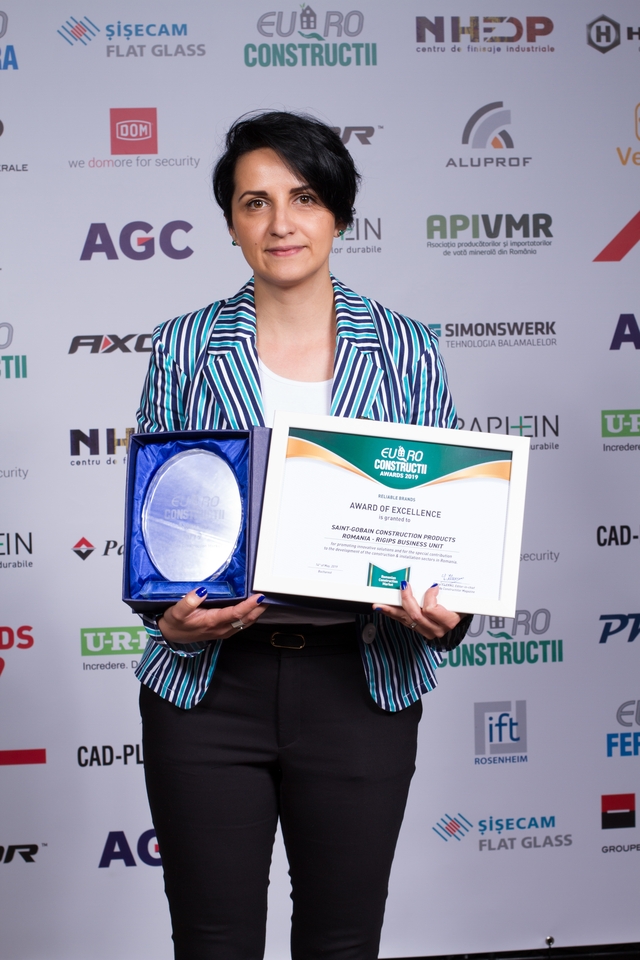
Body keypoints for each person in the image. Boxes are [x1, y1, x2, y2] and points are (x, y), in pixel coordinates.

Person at [135, 110, 471, 960]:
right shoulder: (183, 346)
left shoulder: (406, 349)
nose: (281, 223)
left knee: (341, 942)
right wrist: (165, 616)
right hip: (209, 689)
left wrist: (450, 611)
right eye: (256, 202)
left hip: (360, 683)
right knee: (212, 943)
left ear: (340, 214)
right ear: (231, 223)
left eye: (305, 198)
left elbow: (445, 527)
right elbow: (158, 513)